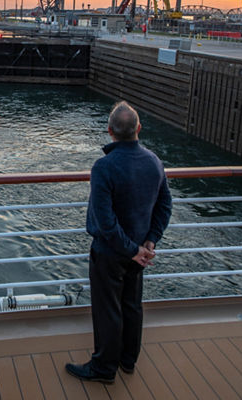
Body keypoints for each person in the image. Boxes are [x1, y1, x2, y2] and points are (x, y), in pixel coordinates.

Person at [66, 101, 172, 384]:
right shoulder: (154, 161)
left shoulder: (104, 167)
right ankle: (128, 360)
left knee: (107, 309)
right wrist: (149, 241)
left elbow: (105, 222)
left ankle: (103, 369)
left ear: (109, 131)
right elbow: (165, 206)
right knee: (132, 305)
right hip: (139, 252)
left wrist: (133, 249)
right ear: (138, 128)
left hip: (111, 253)